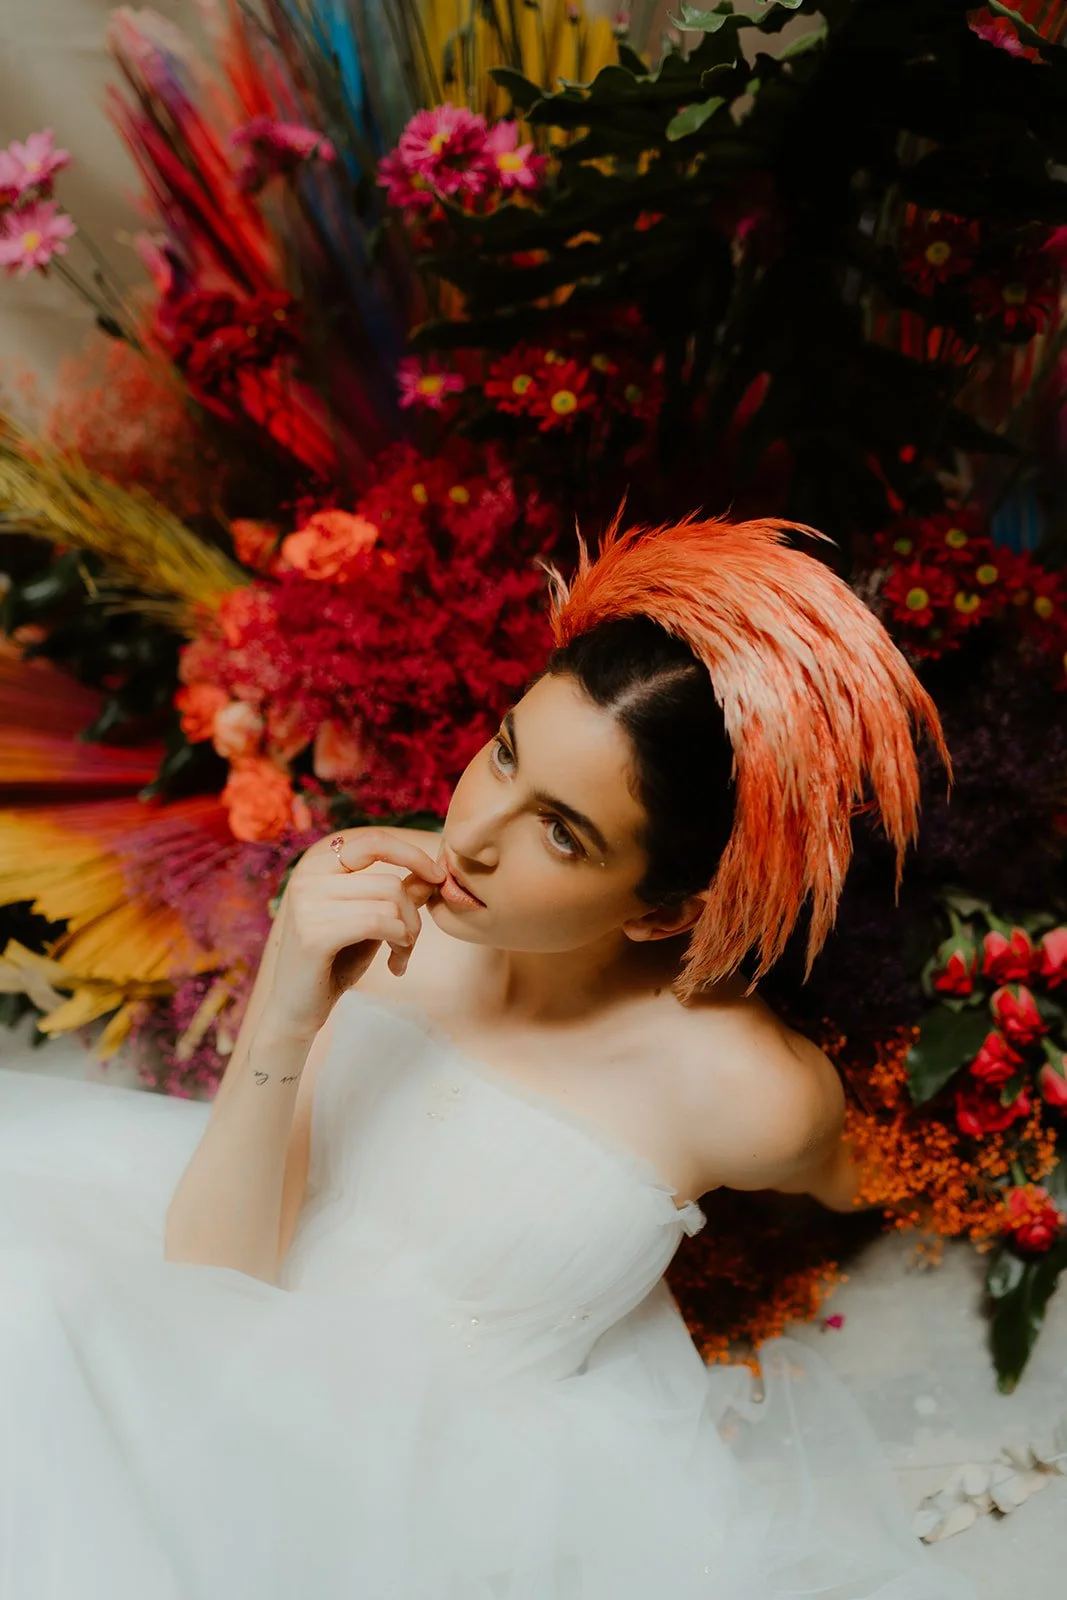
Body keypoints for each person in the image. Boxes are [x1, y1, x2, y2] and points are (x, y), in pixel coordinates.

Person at [0, 513, 976, 1599]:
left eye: (561, 831)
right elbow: (209, 1293)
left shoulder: (740, 1088)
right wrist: (287, 999)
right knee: (30, 1312)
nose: (470, 836)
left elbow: (868, 1184)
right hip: (225, 1349)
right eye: (504, 750)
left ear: (660, 916)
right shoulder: (372, 907)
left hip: (465, 1496)